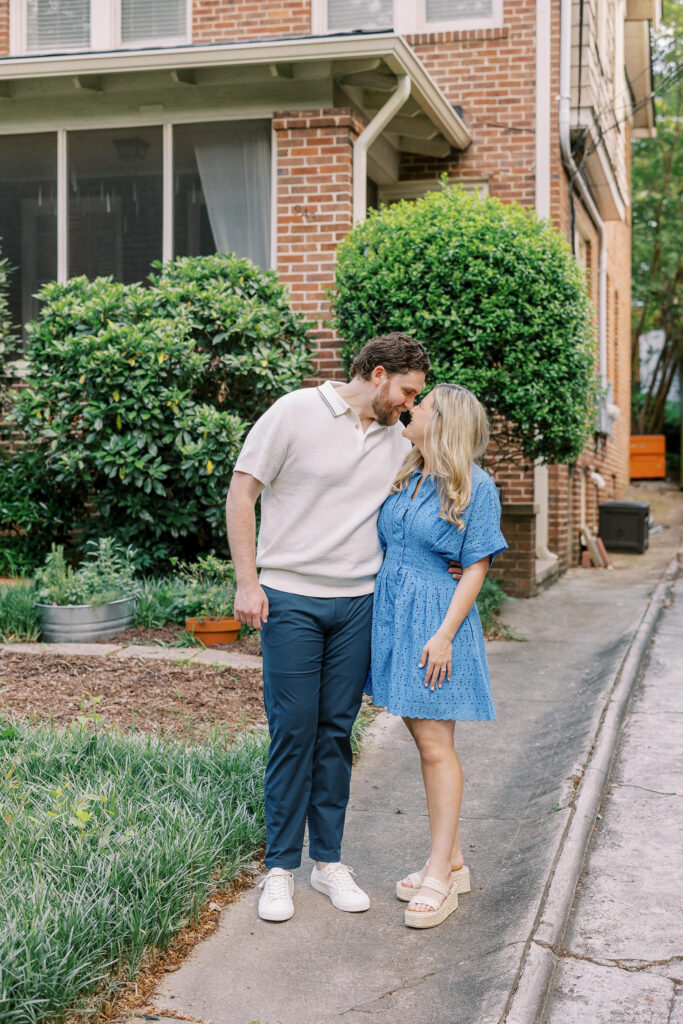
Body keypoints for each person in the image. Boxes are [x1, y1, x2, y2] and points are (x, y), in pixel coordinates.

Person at [225, 332, 435, 922]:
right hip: (291, 598)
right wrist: (248, 581)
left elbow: (441, 492)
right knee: (293, 730)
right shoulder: (294, 412)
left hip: (358, 605)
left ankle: (328, 862)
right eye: (406, 390)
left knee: (336, 733)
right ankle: (279, 867)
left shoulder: (400, 437)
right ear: (377, 375)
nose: (410, 404)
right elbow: (242, 493)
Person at [367, 383, 507, 929]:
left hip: (435, 623)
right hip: (396, 615)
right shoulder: (408, 473)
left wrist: (445, 634)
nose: (410, 408)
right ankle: (450, 858)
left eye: (419, 406)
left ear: (442, 421)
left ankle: (440, 876)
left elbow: (476, 565)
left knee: (434, 746)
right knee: (421, 737)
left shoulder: (475, 484)